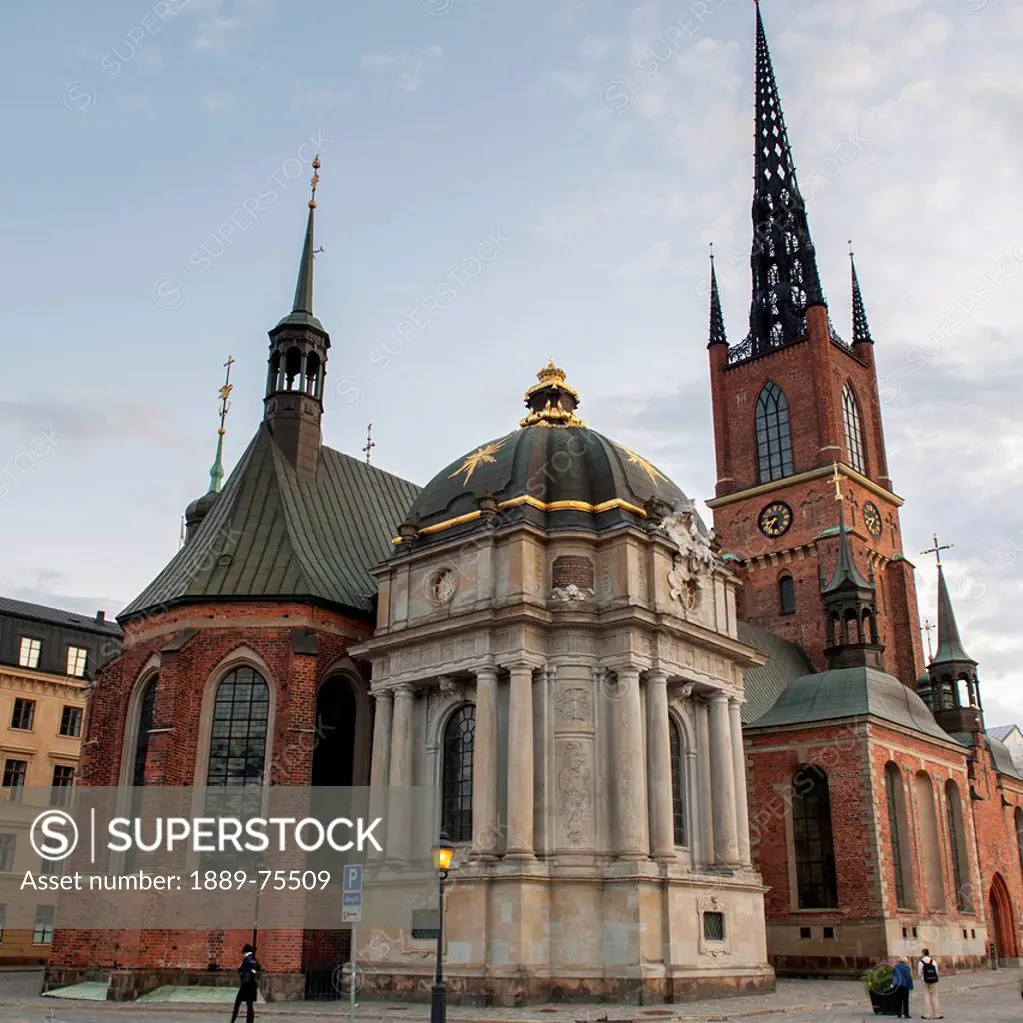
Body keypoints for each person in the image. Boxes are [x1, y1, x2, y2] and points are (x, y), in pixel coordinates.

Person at [230, 944, 261, 1023]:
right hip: (252, 985)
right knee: (249, 1006)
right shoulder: (254, 959)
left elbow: (242, 971)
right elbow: (257, 968)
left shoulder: (246, 960)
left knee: (237, 1004)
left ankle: (232, 1021)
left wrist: (240, 969)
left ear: (244, 952)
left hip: (245, 985)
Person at [917, 949, 942, 1019]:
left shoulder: (920, 962)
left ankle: (927, 1014)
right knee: (935, 997)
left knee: (926, 997)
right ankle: (937, 1014)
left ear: (923, 953)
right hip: (934, 980)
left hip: (924, 981)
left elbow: (919, 974)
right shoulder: (933, 961)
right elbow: (937, 972)